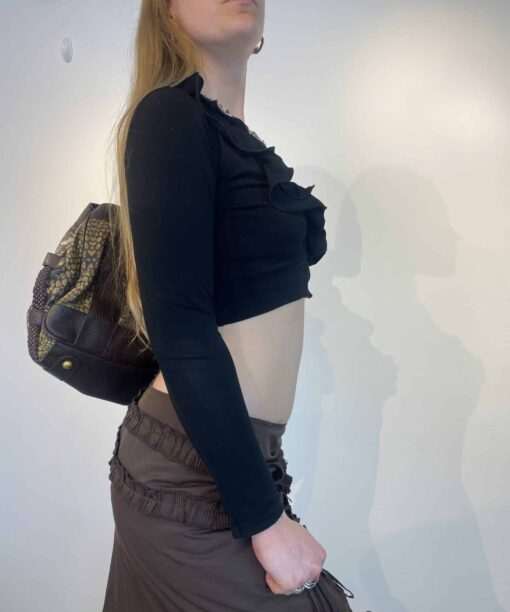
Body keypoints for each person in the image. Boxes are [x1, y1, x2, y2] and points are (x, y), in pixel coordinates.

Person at [102, 1, 354, 610]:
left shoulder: (233, 139)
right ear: (165, 12)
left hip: (234, 451)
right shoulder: (169, 116)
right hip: (187, 465)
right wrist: (265, 522)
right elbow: (180, 328)